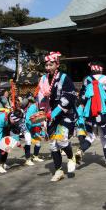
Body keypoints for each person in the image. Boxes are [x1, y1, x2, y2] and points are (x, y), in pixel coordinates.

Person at [38, 52, 77, 182]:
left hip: (64, 114)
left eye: (51, 64)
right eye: (46, 65)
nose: (48, 67)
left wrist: (54, 112)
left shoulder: (64, 77)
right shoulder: (43, 79)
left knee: (61, 140)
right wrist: (42, 112)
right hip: (50, 116)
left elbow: (70, 96)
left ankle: (71, 157)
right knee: (53, 145)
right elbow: (41, 97)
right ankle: (58, 170)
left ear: (57, 64)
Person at [75, 62, 106, 170]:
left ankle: (80, 150)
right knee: (104, 138)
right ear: (101, 70)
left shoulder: (86, 79)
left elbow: (82, 96)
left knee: (91, 136)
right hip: (103, 112)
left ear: (92, 70)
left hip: (90, 112)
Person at [22, 98, 45, 163]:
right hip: (26, 128)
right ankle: (28, 159)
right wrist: (40, 123)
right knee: (28, 142)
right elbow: (29, 122)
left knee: (38, 143)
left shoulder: (32, 107)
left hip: (32, 128)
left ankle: (35, 156)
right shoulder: (33, 107)